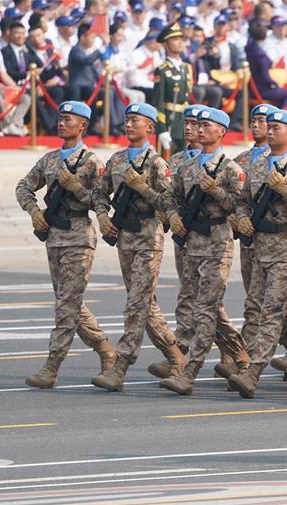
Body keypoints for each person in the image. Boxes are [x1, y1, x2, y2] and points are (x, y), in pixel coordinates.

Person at [15, 101, 116, 389]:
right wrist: (34, 211)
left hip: (79, 237)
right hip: (54, 235)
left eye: (68, 119)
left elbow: (100, 201)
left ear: (82, 126)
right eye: (60, 118)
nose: (61, 123)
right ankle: (106, 349)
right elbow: (23, 186)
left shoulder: (92, 162)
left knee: (66, 306)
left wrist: (75, 188)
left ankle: (52, 366)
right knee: (69, 302)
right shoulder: (48, 159)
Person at [90, 103, 184, 391]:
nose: (129, 124)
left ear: (150, 128)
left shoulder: (157, 163)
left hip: (148, 237)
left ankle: (120, 365)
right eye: (127, 119)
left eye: (135, 120)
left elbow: (169, 203)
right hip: (125, 236)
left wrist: (143, 188)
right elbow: (99, 191)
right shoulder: (117, 159)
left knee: (136, 304)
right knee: (144, 303)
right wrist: (103, 215)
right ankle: (177, 357)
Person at [227, 110, 287, 399]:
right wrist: (241, 218)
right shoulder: (257, 166)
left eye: (276, 127)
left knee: (272, 311)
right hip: (259, 246)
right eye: (270, 126)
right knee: (269, 309)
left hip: (285, 247)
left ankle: (252, 372)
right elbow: (242, 201)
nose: (270, 130)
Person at [159, 107, 246, 395]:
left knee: (206, 309)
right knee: (196, 303)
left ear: (221, 132)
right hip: (191, 242)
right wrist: (172, 216)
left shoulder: (231, 169)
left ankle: (188, 372)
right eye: (198, 126)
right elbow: (170, 196)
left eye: (207, 126)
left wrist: (217, 191)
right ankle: (240, 354)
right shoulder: (187, 165)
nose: (199, 130)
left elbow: (241, 207)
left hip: (217, 241)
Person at [152, 23, 190, 156]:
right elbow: (158, 102)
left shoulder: (186, 68)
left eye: (181, 39)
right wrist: (161, 129)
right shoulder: (162, 70)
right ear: (166, 45)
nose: (180, 42)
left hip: (183, 123)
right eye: (174, 39)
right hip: (170, 121)